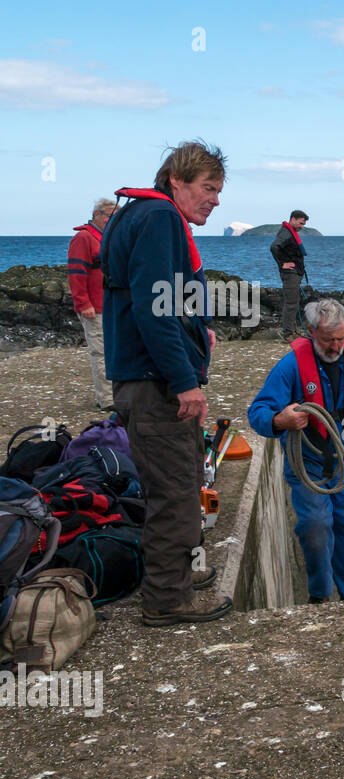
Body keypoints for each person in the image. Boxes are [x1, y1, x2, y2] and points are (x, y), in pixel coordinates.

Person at [101, 140, 233, 626]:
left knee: (174, 481)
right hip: (156, 383)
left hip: (140, 376)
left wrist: (200, 330)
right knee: (175, 492)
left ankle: (177, 573)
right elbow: (154, 308)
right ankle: (167, 599)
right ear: (176, 180)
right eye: (208, 188)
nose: (215, 200)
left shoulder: (136, 214)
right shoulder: (158, 219)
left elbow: (158, 300)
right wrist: (184, 382)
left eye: (218, 191)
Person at [247, 298, 344, 603]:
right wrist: (280, 419)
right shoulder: (290, 365)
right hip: (309, 463)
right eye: (327, 340)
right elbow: (258, 412)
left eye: (340, 339)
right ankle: (319, 596)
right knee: (314, 528)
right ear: (310, 332)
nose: (335, 347)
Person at [67, 198, 116, 409]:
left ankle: (112, 395)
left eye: (114, 217)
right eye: (108, 215)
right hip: (93, 308)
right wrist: (82, 303)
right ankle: (106, 399)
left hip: (110, 306)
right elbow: (76, 273)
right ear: (96, 215)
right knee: (100, 353)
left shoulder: (106, 238)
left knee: (112, 352)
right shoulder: (83, 238)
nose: (111, 220)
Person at [271, 210, 309, 335]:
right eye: (300, 223)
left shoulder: (289, 232)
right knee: (291, 303)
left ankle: (292, 330)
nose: (301, 227)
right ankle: (288, 333)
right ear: (293, 219)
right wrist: (282, 263)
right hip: (290, 274)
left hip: (295, 273)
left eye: (303, 224)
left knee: (293, 301)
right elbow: (274, 247)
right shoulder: (286, 233)